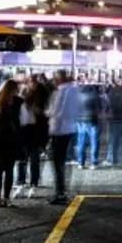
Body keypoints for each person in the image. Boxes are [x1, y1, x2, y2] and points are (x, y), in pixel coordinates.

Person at [0, 80, 23, 207]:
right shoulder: (18, 101)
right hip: (12, 138)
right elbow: (23, 120)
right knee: (9, 170)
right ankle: (7, 198)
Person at [46, 70, 81, 205]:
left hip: (59, 129)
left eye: (55, 77)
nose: (54, 80)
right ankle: (61, 191)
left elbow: (57, 111)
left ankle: (60, 192)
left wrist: (47, 113)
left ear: (60, 78)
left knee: (57, 162)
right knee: (60, 161)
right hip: (69, 128)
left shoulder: (62, 91)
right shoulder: (74, 90)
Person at [14, 74, 50, 199]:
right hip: (24, 130)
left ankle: (33, 184)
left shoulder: (43, 94)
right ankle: (20, 183)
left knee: (34, 160)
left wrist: (40, 112)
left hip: (36, 130)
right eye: (30, 82)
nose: (32, 85)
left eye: (34, 82)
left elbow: (47, 114)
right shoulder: (22, 96)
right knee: (21, 160)